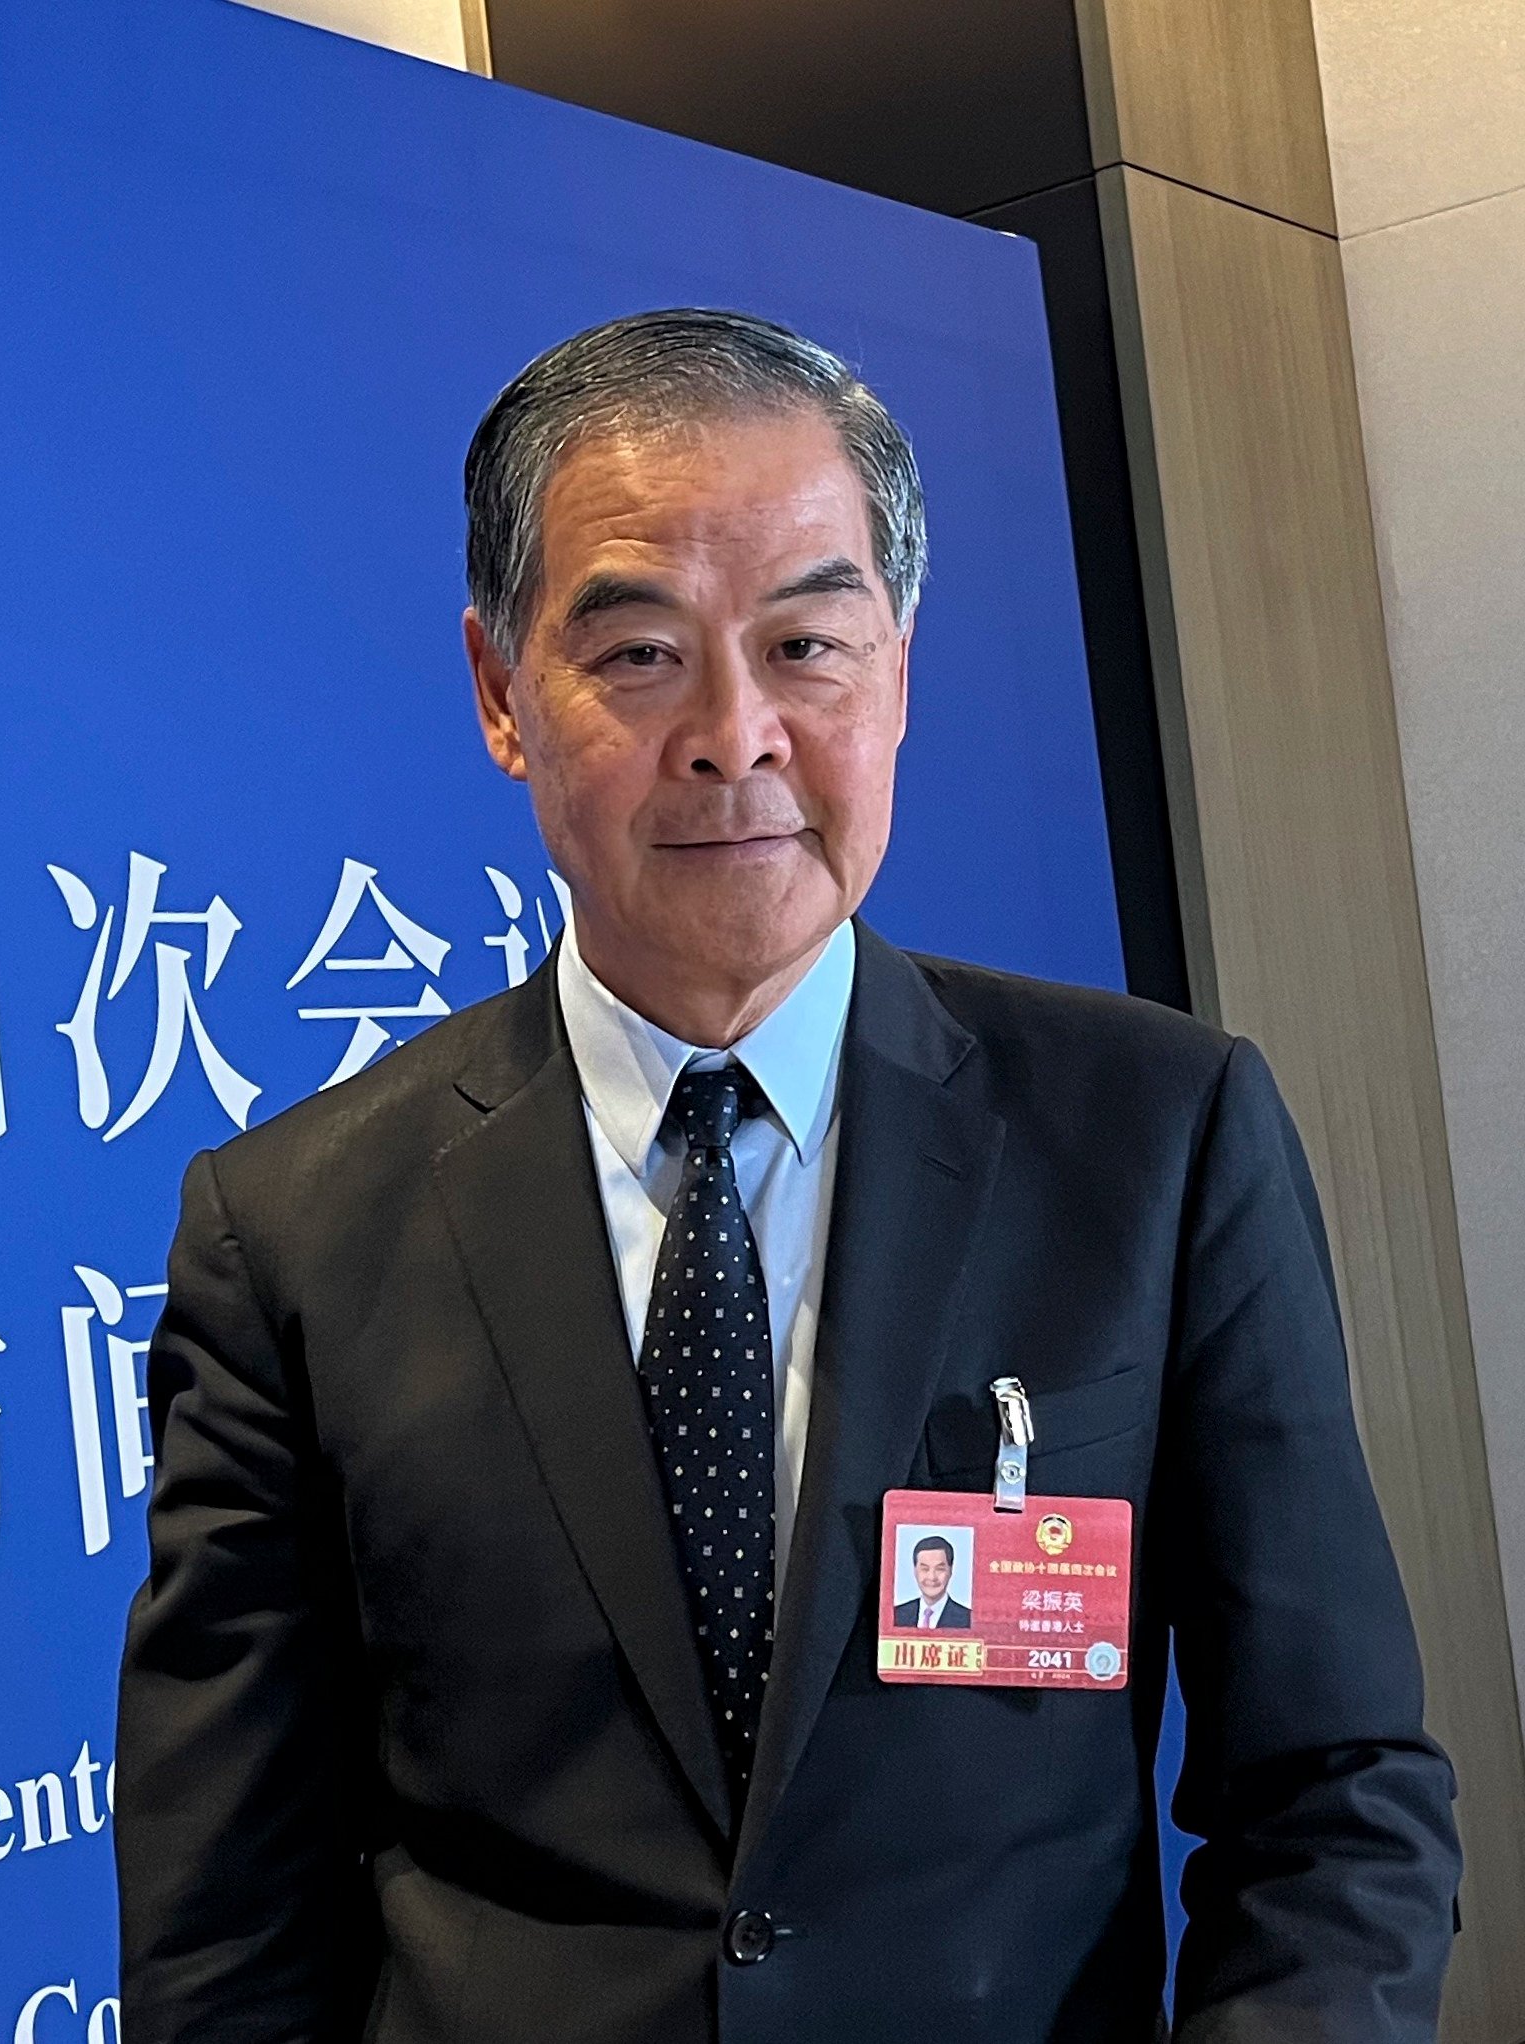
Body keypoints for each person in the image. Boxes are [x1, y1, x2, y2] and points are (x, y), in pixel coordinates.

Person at [113, 309, 1460, 2042]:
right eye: (641, 653)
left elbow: (1336, 1787)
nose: (735, 735)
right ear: (501, 692)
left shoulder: (1156, 1134)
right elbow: (229, 1917)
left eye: (807, 641)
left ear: (895, 671)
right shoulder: (292, 1229)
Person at [894, 1535, 969, 1631]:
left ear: (950, 1571)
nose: (932, 1577)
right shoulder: (895, 1615)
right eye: (925, 1569)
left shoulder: (968, 1619)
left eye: (939, 1569)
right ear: (915, 1570)